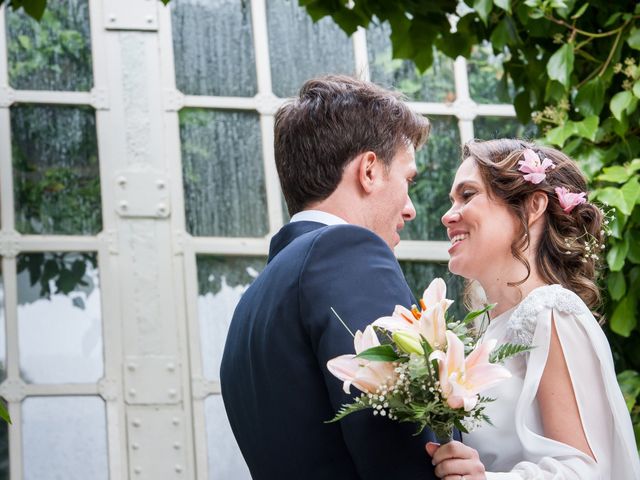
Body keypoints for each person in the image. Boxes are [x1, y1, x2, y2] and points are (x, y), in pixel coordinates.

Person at [220, 75, 443, 479]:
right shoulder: (347, 253)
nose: (410, 209)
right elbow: (396, 451)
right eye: (407, 180)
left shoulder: (252, 303)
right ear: (370, 171)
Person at [428, 139, 640, 479]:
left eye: (467, 195)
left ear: (533, 206)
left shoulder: (551, 312)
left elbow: (585, 470)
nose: (447, 215)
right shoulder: (482, 330)